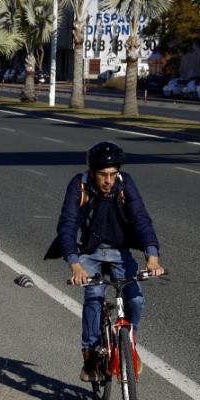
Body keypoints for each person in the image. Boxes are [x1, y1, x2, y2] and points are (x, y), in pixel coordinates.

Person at [48, 141, 164, 382]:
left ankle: (128, 345)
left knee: (136, 299)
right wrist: (74, 263)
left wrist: (152, 256)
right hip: (87, 252)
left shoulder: (125, 184)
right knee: (94, 296)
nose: (108, 180)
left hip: (119, 251)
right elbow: (67, 224)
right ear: (92, 172)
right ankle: (90, 355)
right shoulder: (79, 185)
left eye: (112, 174)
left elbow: (140, 218)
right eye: (103, 175)